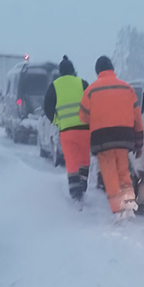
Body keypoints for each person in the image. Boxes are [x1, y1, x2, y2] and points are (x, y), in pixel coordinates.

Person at [79, 56, 144, 220]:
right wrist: (139, 137)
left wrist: (98, 119)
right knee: (124, 173)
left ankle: (118, 211)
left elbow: (83, 117)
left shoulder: (91, 90)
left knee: (110, 175)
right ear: (112, 69)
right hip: (124, 137)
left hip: (102, 140)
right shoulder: (127, 88)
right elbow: (137, 115)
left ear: (97, 71)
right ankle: (129, 206)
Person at [44, 55, 90, 200]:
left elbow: (47, 107)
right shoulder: (82, 83)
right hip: (84, 129)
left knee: (71, 161)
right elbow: (92, 102)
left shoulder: (54, 86)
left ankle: (75, 193)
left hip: (66, 131)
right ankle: (83, 184)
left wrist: (57, 120)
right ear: (73, 70)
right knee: (84, 159)